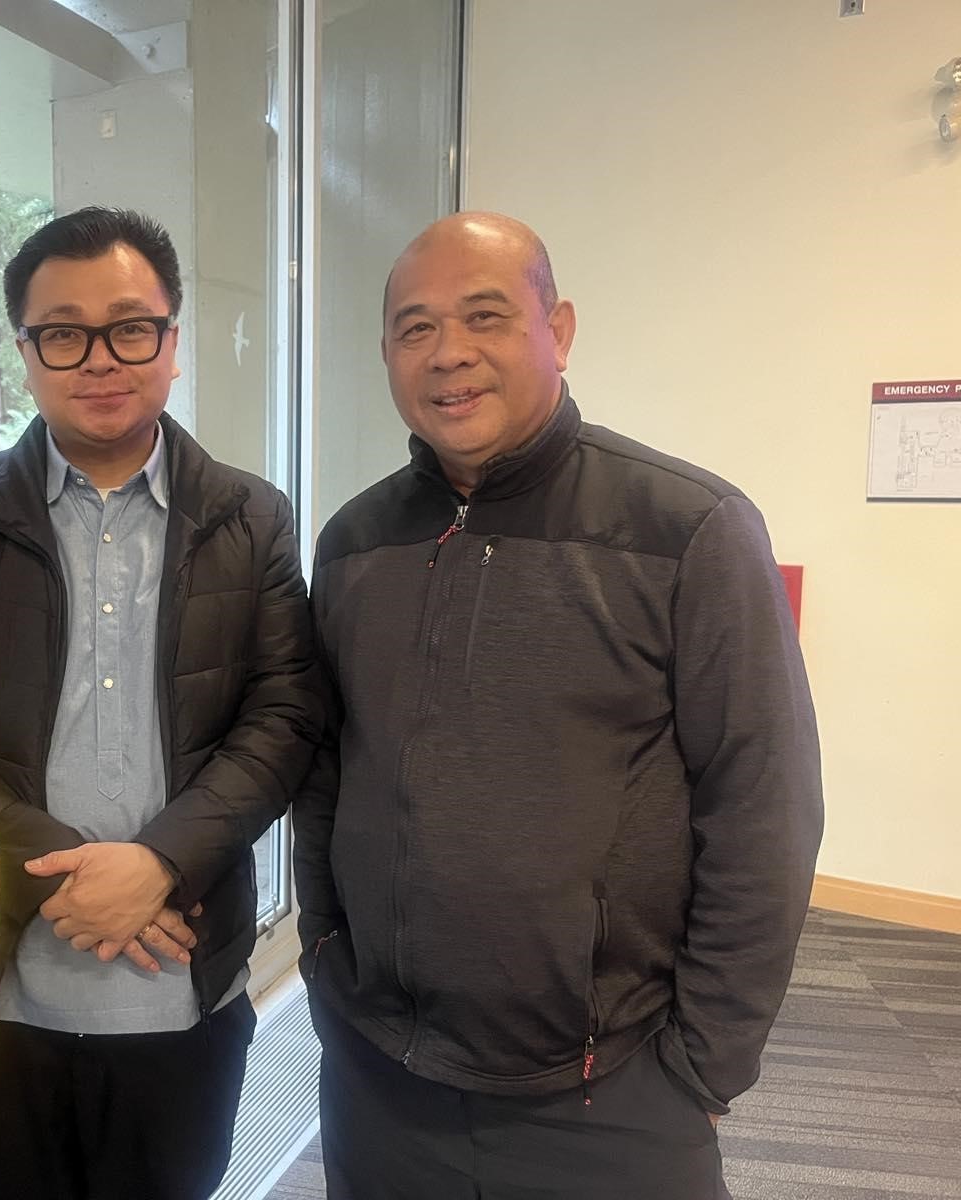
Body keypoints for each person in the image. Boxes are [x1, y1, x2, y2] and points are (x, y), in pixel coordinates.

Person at [293, 212, 824, 1198]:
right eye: (414, 327)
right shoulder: (355, 542)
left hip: (609, 1092)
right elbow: (326, 775)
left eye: (484, 316)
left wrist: (704, 1065)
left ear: (559, 330)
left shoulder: (688, 530)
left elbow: (764, 808)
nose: (448, 352)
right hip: (380, 1077)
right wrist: (326, 960)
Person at [0, 206, 324, 1199]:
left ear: (172, 339)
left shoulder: (252, 517)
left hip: (184, 977)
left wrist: (161, 861)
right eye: (63, 334)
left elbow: (286, 715)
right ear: (25, 353)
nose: (101, 359)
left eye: (130, 328)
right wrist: (60, 876)